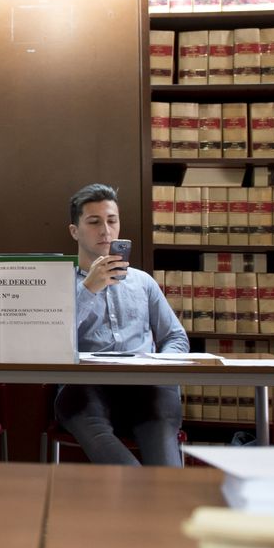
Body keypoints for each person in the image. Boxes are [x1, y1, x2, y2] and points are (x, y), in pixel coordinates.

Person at [56, 183, 189, 466]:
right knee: (76, 401)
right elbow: (50, 341)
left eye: (112, 221)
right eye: (94, 222)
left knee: (161, 428)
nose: (105, 230)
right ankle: (139, 485)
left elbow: (176, 337)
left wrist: (161, 365)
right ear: (75, 231)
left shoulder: (143, 282)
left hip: (146, 386)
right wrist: (88, 290)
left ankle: (160, 486)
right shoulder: (59, 284)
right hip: (86, 388)